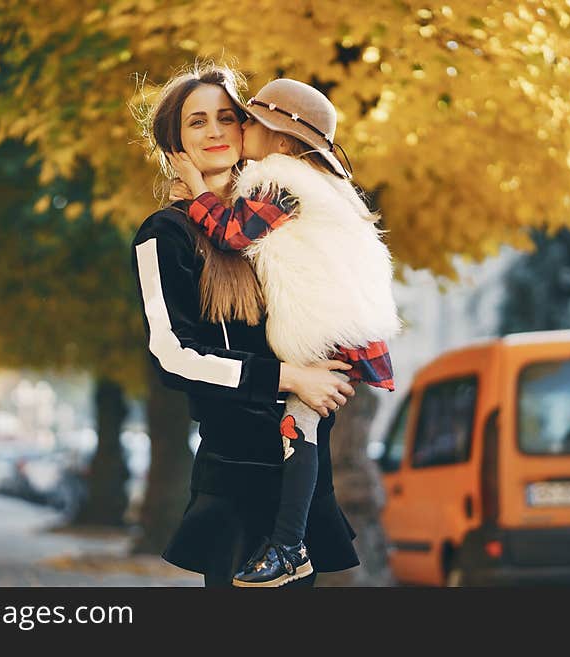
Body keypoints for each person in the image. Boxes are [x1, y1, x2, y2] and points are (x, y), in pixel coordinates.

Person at [131, 63, 360, 588]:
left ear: (249, 129)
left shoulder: (281, 213)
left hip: (305, 485)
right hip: (234, 483)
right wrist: (287, 378)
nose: (214, 131)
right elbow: (172, 354)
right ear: (174, 140)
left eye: (226, 117)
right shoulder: (164, 234)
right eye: (196, 122)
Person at [167, 78, 401, 586]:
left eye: (248, 120)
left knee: (298, 432)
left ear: (281, 138)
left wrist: (199, 189)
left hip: (322, 331)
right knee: (303, 431)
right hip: (338, 326)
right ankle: (288, 544)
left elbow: (233, 234)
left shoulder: (281, 182)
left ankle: (288, 545)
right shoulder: (314, 184)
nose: (239, 127)